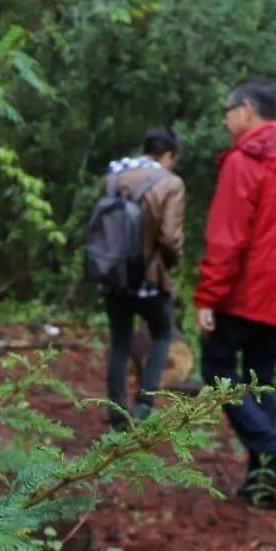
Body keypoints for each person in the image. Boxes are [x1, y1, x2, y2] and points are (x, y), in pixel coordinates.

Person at [195, 77, 276, 508]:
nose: (225, 118)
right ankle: (261, 486)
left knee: (217, 368)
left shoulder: (244, 161)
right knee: (261, 381)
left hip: (245, 290)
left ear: (247, 110)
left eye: (228, 110)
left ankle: (273, 447)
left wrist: (208, 296)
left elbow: (227, 237)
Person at [98, 127, 188, 431]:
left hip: (112, 274)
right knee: (163, 333)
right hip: (149, 278)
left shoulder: (113, 175)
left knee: (120, 342)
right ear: (169, 155)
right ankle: (145, 405)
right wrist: (168, 266)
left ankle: (115, 416)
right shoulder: (171, 183)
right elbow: (170, 238)